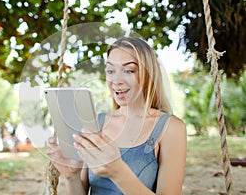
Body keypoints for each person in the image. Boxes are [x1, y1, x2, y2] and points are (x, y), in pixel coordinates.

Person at [46, 37, 187, 194]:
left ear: (148, 74)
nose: (116, 81)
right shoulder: (96, 123)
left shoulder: (171, 128)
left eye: (129, 70)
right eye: (110, 71)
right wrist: (72, 177)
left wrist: (118, 171)